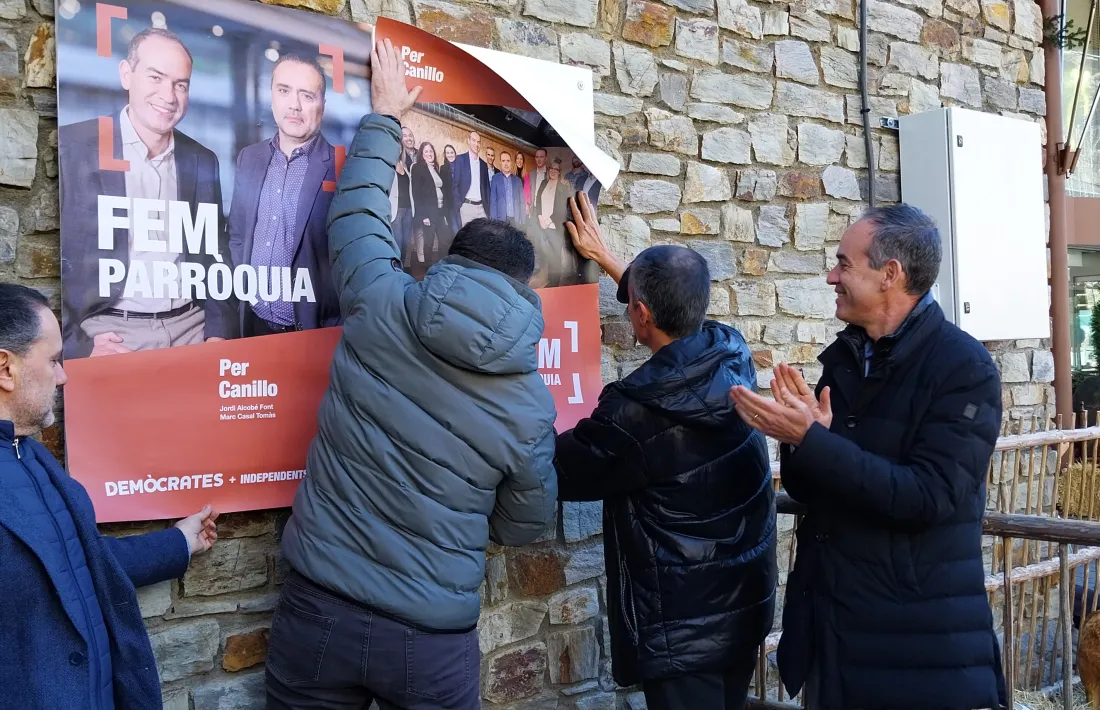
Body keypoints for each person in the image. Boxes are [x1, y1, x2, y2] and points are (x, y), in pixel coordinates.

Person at [267, 39, 558, 710]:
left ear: (452, 260)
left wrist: (385, 117)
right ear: (522, 288)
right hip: (430, 641)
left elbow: (357, 218)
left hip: (319, 609)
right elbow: (523, 525)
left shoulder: (383, 301)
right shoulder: (529, 407)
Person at [729, 204, 1006, 710]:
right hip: (836, 631)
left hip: (914, 647)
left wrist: (815, 441)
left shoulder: (964, 368)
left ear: (890, 275)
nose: (831, 276)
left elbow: (929, 498)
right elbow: (814, 488)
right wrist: (802, 440)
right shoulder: (847, 359)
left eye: (843, 264)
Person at [553, 193, 776, 710]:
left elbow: (560, 469)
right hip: (742, 607)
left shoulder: (636, 410)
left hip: (684, 633)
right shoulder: (732, 350)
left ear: (642, 312)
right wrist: (613, 263)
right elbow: (677, 322)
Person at [0, 283, 219, 709]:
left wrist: (177, 542)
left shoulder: (30, 454)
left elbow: (76, 561)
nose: (64, 375)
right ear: (5, 369)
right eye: (54, 360)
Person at [58, 27, 232, 359]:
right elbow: (52, 257)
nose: (169, 96)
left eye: (180, 85)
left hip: (192, 328)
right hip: (111, 333)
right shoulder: (74, 147)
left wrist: (219, 332)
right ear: (127, 74)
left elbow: (215, 255)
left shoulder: (201, 159)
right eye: (156, 77)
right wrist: (77, 344)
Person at [226, 53, 340, 337]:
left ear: (322, 106)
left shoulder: (343, 168)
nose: (294, 105)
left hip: (311, 333)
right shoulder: (249, 158)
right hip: (250, 324)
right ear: (272, 97)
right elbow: (237, 239)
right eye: (284, 91)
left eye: (307, 96)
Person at [529, 157, 570, 288]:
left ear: (559, 172)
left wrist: (548, 221)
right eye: (551, 168)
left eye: (556, 169)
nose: (553, 171)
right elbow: (538, 202)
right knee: (544, 252)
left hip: (554, 226)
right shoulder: (543, 184)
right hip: (541, 224)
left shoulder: (563, 188)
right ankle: (546, 279)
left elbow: (561, 208)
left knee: (555, 256)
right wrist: (540, 217)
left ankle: (554, 283)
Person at [409, 141, 450, 268]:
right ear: (422, 154)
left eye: (431, 151)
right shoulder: (418, 167)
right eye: (426, 151)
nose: (429, 153)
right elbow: (416, 193)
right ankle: (428, 270)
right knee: (429, 243)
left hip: (439, 211)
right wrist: (423, 215)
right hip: (428, 212)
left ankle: (441, 267)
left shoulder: (435, 168)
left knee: (444, 242)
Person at [452, 130, 491, 228]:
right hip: (466, 207)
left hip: (482, 208)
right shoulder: (460, 159)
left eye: (478, 142)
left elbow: (486, 188)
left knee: (482, 238)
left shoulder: (483, 164)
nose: (476, 144)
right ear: (468, 141)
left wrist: (487, 207)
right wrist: (459, 205)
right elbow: (455, 185)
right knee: (469, 239)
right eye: (474, 140)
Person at [489, 150, 525, 228]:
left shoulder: (518, 181)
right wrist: (494, 222)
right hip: (500, 219)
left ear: (511, 163)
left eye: (508, 161)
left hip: (515, 220)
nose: (506, 163)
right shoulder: (495, 178)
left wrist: (523, 220)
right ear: (500, 163)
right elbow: (493, 202)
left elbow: (522, 202)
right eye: (503, 161)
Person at [523, 147, 549, 216]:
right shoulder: (531, 174)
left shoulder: (550, 174)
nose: (539, 159)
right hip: (533, 210)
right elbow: (527, 191)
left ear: (546, 158)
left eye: (541, 157)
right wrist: (527, 205)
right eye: (537, 157)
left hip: (546, 210)